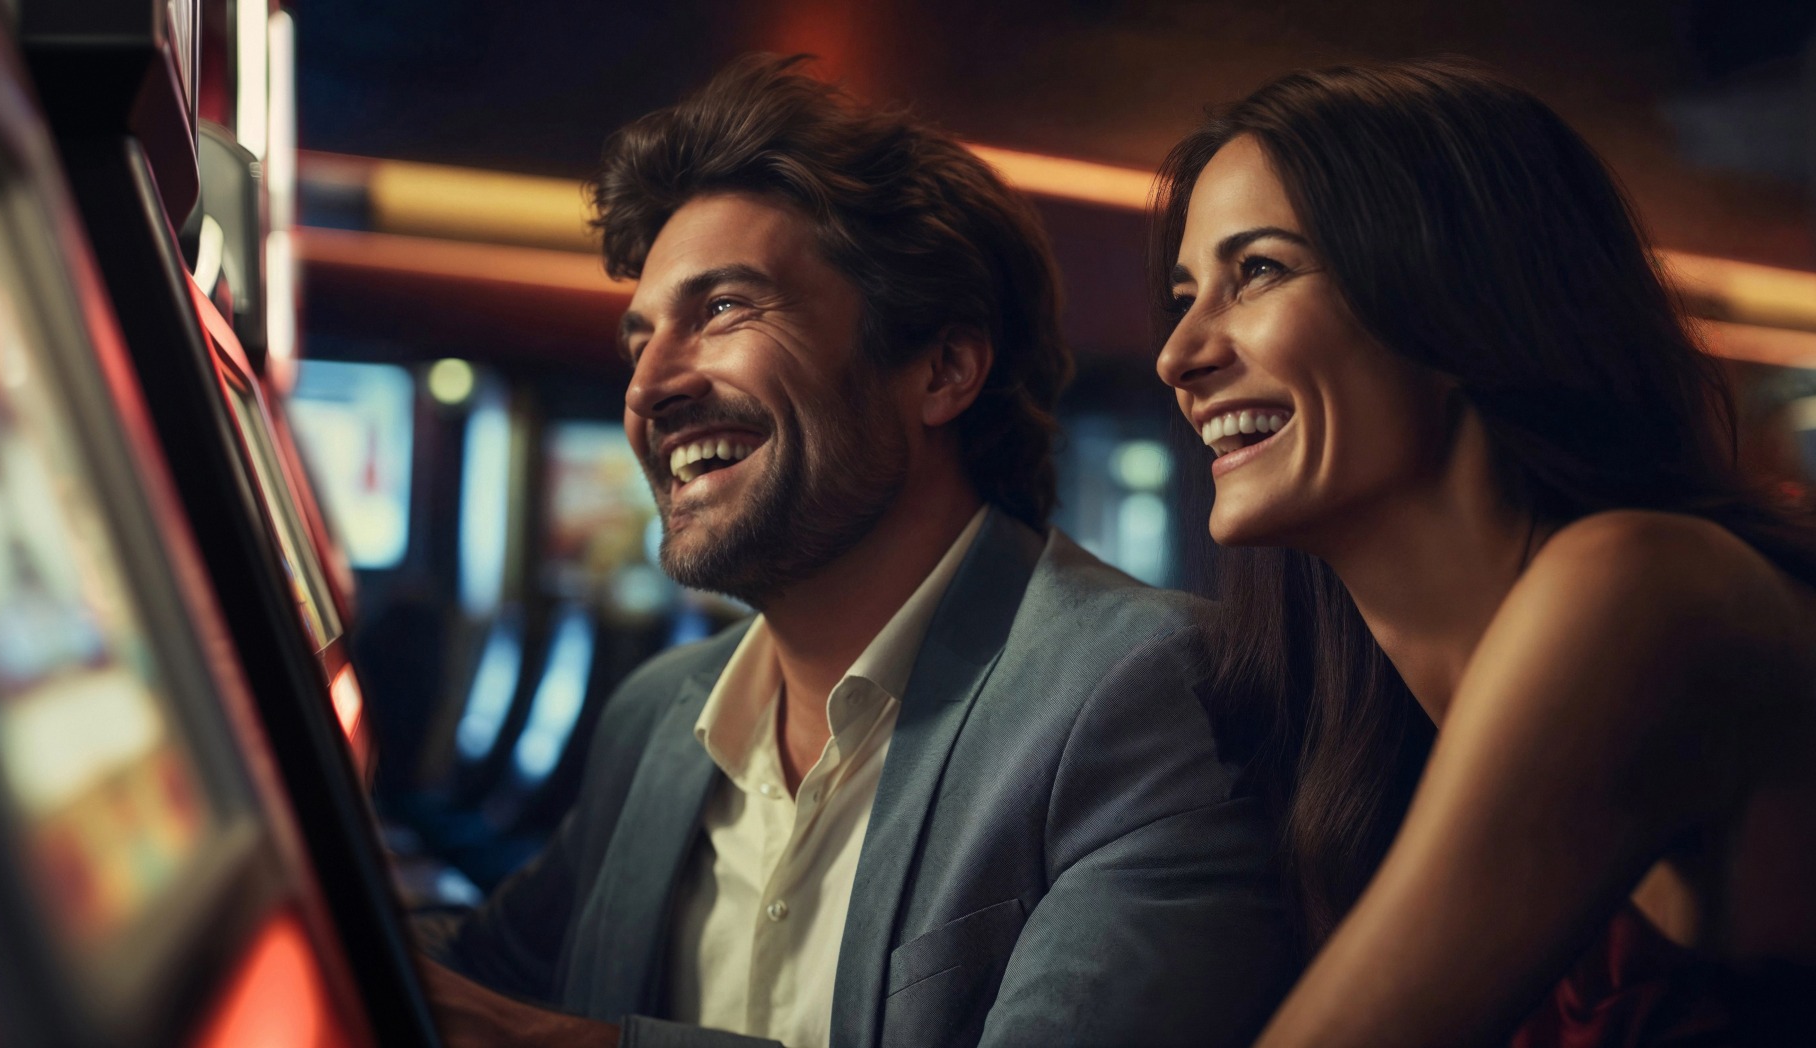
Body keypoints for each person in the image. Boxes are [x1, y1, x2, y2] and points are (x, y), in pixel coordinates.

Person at [418, 55, 1292, 1048]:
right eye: (637, 340)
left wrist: (545, 1041)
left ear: (942, 370)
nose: (650, 385)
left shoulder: (1150, 689)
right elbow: (485, 964)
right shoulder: (657, 716)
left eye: (723, 309)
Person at [1151, 58, 1816, 1047]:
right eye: (1185, 291)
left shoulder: (1643, 584)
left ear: (1454, 300)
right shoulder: (1359, 732)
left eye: (1258, 271)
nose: (1179, 355)